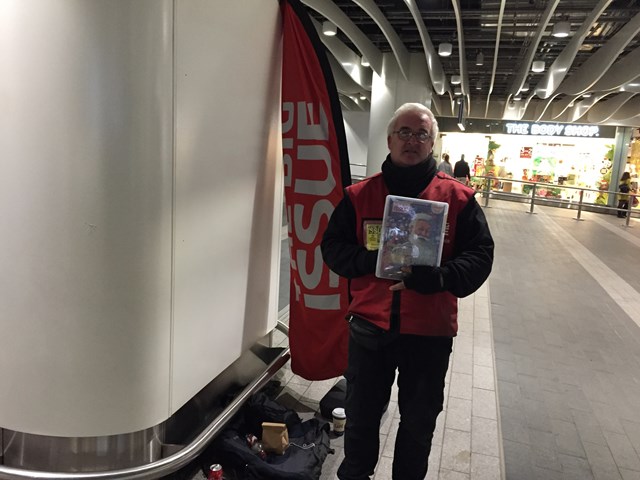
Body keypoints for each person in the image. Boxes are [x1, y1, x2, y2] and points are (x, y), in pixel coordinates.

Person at [321, 102, 494, 480]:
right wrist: (372, 262)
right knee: (362, 418)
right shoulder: (358, 196)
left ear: (432, 144)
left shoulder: (459, 200)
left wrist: (441, 277)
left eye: (422, 134)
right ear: (389, 139)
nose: (412, 140)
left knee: (418, 425)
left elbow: (481, 257)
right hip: (369, 329)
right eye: (404, 132)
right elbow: (332, 249)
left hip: (429, 335)